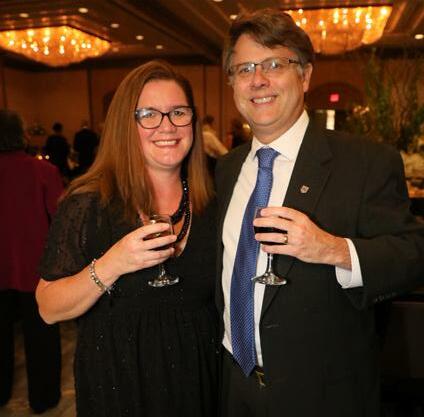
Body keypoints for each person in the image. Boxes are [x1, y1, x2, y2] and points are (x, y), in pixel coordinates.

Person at [215, 8, 424, 417]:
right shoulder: (225, 169)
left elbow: (414, 255)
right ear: (232, 83)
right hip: (235, 386)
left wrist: (333, 250)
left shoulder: (365, 162)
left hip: (324, 393)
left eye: (274, 64)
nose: (258, 79)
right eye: (244, 69)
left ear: (305, 76)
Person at [36, 60, 219, 417]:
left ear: (193, 121)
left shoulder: (214, 199)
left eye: (178, 112)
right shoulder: (88, 202)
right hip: (119, 385)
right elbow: (48, 307)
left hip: (199, 381)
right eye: (148, 114)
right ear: (125, 124)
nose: (167, 126)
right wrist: (113, 264)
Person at [0, 110, 62, 414]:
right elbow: (59, 221)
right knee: (42, 337)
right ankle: (44, 397)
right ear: (21, 134)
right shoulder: (44, 171)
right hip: (35, 266)